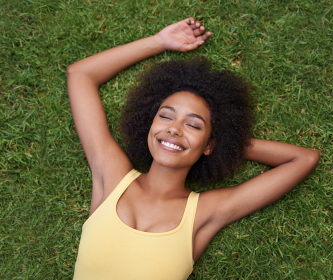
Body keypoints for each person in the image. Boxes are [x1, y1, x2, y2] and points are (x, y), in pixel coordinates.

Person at [67, 17, 319, 280]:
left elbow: (302, 159)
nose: (174, 129)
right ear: (148, 124)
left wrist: (227, 143)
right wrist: (158, 42)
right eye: (166, 116)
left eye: (194, 126)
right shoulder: (112, 176)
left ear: (210, 144)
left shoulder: (204, 213)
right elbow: (80, 75)